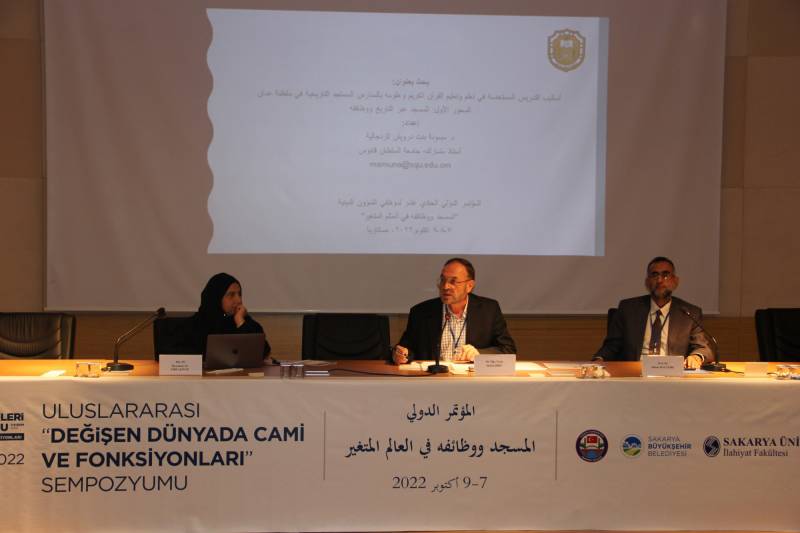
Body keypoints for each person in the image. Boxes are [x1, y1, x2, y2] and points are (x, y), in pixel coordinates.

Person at [593, 256, 713, 369]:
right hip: (635, 372)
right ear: (647, 282)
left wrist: (696, 357)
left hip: (672, 373)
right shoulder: (628, 309)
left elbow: (703, 348)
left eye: (665, 275)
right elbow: (612, 346)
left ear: (675, 281)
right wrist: (599, 359)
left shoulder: (689, 313)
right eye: (654, 275)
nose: (659, 280)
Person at [392, 258, 516, 364]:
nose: (445, 286)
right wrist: (401, 355)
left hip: (472, 380)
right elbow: (405, 349)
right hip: (433, 379)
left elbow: (508, 350)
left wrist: (479, 354)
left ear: (469, 286)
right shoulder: (421, 312)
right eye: (443, 280)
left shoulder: (489, 310)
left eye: (453, 281)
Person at [188, 272, 271, 357]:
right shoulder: (195, 325)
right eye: (231, 295)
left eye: (239, 294)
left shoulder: (244, 320)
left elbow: (263, 351)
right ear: (216, 297)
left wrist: (241, 323)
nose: (239, 300)